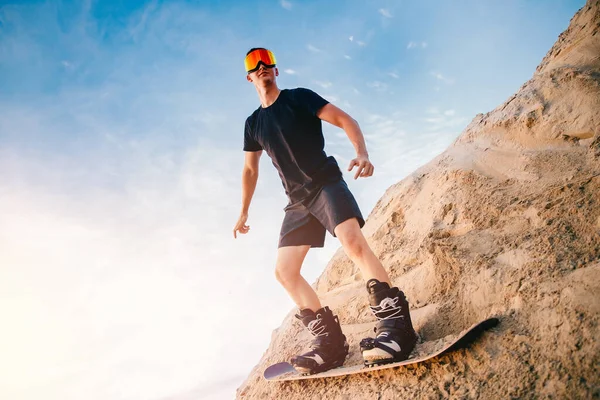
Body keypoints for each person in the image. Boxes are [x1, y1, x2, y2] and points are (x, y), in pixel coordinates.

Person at [233, 48, 417, 374]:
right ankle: (330, 344)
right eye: (253, 63)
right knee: (285, 272)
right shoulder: (253, 124)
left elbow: (346, 119)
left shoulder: (299, 98)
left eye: (266, 61)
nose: (261, 66)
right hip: (297, 202)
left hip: (325, 183)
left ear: (275, 69)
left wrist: (361, 152)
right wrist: (244, 211)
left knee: (351, 241)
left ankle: (396, 328)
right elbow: (250, 170)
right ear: (249, 76)